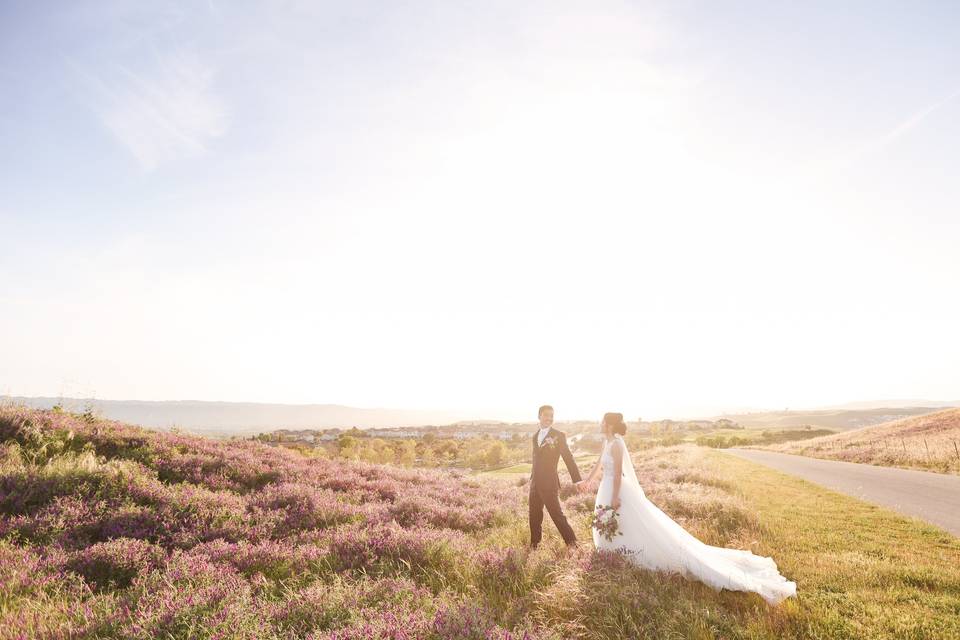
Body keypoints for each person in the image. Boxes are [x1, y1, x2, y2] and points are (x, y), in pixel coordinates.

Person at [580, 412, 797, 605]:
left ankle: (629, 554)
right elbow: (598, 464)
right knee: (616, 521)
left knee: (626, 520)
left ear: (608, 424)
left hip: (616, 489)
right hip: (605, 487)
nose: (600, 423)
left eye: (602, 421)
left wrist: (616, 496)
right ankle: (614, 554)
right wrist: (587, 481)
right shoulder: (606, 442)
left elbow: (618, 473)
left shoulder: (617, 444)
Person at [528, 404, 582, 548]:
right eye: (546, 415)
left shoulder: (558, 435)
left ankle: (573, 543)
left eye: (551, 416)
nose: (549, 418)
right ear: (539, 416)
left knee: (556, 514)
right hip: (535, 483)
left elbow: (568, 458)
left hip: (549, 483)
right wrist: (532, 478)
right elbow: (536, 458)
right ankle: (534, 543)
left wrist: (577, 480)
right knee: (534, 515)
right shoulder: (534, 436)